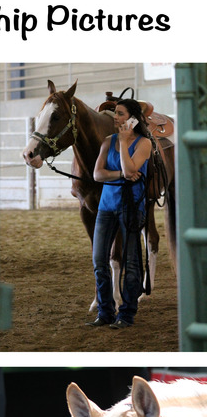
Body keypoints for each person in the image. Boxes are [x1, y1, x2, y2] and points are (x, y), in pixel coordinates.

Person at [86, 98, 153, 329]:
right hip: (106, 207)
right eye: (115, 113)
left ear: (132, 118)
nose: (116, 117)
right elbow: (97, 175)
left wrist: (124, 143)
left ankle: (126, 314)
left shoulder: (144, 144)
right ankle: (105, 312)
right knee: (99, 261)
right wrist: (120, 176)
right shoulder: (107, 142)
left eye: (121, 113)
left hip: (132, 207)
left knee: (132, 263)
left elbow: (130, 169)